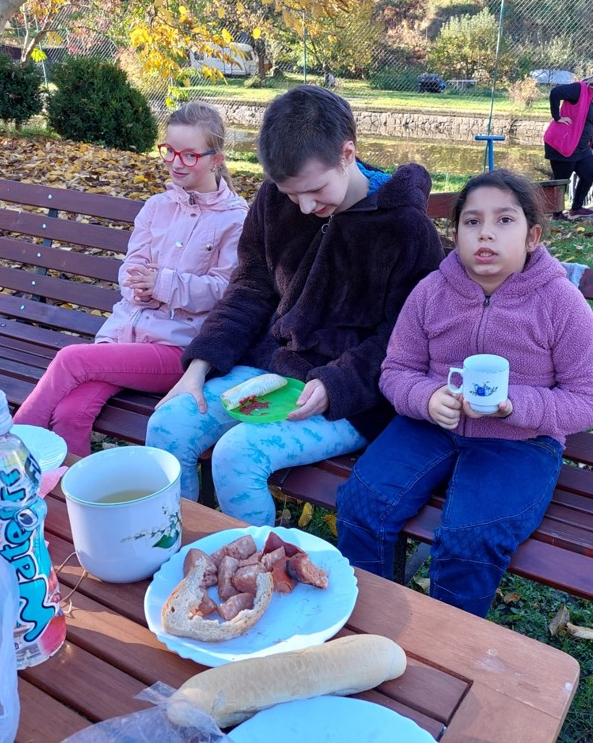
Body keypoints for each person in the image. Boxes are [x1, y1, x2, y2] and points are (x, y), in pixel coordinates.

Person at [146, 85, 445, 523]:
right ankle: (183, 550)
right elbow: (250, 287)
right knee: (166, 428)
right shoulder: (272, 199)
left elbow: (406, 338)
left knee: (237, 455)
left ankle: (253, 563)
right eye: (290, 194)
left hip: (349, 397)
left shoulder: (405, 228)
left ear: (347, 154)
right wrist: (200, 364)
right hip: (269, 369)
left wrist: (336, 384)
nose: (304, 207)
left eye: (315, 190)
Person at [335, 169, 593, 617]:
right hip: (429, 427)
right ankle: (366, 622)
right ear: (455, 234)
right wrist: (426, 398)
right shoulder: (431, 292)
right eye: (472, 221)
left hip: (520, 442)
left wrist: (516, 406)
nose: (486, 233)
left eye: (505, 220)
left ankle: (448, 645)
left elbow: (592, 399)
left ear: (532, 236)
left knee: (470, 538)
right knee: (362, 503)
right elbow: (397, 371)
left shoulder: (560, 302)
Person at [13, 101, 248, 457]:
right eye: (169, 151)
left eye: (189, 155)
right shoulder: (157, 206)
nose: (175, 163)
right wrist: (138, 288)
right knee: (70, 413)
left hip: (178, 350)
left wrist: (162, 284)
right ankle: (68, 487)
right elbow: (132, 266)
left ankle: (9, 451)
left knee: (70, 359)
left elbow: (224, 292)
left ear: (216, 159)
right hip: (125, 336)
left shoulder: (235, 219)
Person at [543, 69, 593, 220]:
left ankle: (576, 208)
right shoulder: (579, 89)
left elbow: (591, 128)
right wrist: (557, 117)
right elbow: (555, 93)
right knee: (561, 180)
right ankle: (556, 214)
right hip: (563, 144)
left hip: (581, 148)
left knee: (589, 172)